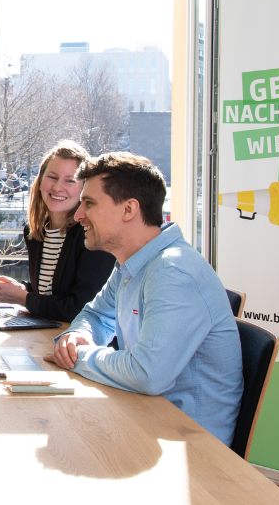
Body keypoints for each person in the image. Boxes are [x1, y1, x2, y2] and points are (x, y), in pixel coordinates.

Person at [44, 152, 243, 446]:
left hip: (192, 451)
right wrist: (76, 336)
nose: (78, 215)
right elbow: (97, 316)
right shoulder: (133, 263)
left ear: (129, 209)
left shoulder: (173, 272)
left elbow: (147, 374)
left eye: (90, 203)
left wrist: (79, 357)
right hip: (145, 421)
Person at [0, 140, 115, 322]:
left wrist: (23, 298)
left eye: (69, 180)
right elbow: (52, 292)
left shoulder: (94, 237)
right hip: (45, 334)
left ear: (84, 189)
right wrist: (23, 290)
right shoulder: (35, 232)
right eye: (52, 177)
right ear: (39, 182)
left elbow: (81, 309)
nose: (57, 187)